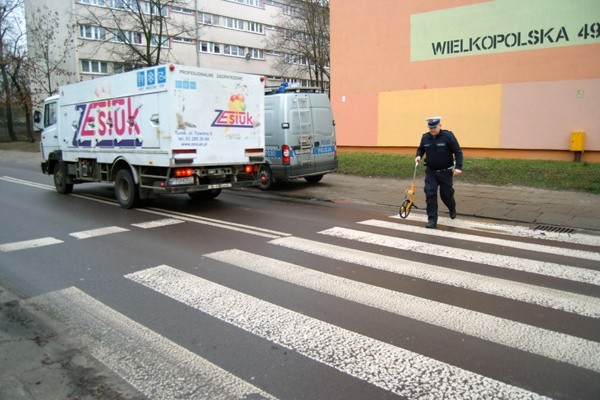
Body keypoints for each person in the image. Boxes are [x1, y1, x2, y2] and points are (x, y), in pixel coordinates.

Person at [415, 116, 463, 229]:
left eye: (434, 127)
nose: (432, 130)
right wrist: (418, 156)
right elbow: (421, 148)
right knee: (430, 193)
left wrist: (458, 167)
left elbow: (457, 151)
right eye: (430, 128)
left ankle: (452, 207)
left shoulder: (448, 136)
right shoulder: (425, 137)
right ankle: (432, 219)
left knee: (446, 195)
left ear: (440, 126)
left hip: (445, 172)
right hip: (431, 172)